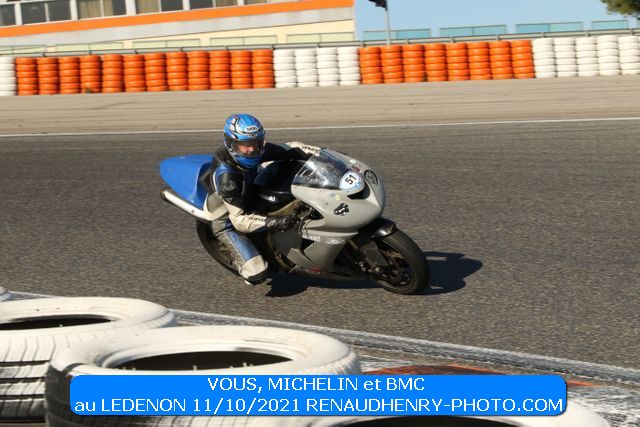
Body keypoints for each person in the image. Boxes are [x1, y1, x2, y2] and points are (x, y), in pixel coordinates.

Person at [206, 113, 320, 285]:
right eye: (245, 144)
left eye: (256, 142)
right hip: (229, 220)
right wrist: (275, 222)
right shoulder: (228, 179)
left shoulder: (257, 151)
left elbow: (293, 147)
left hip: (251, 191)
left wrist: (328, 156)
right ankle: (241, 262)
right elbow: (239, 220)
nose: (252, 149)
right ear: (230, 143)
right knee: (257, 274)